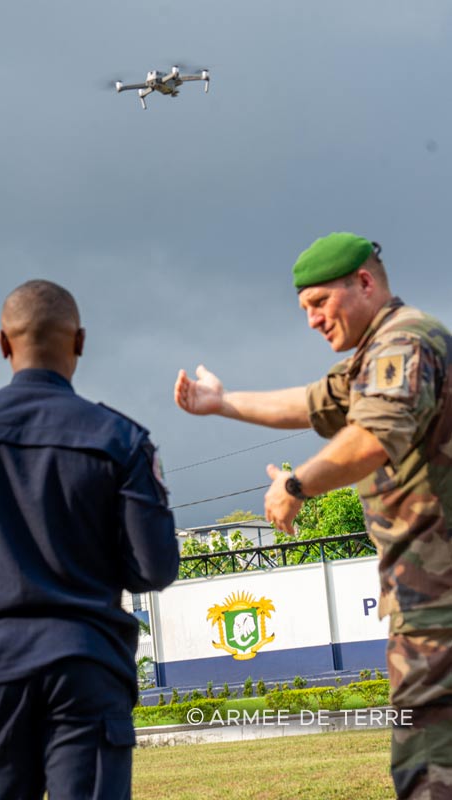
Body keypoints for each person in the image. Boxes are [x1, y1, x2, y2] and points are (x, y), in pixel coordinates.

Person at [174, 232, 452, 800]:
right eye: (304, 310)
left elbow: (373, 437)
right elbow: (306, 403)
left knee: (428, 770)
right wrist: (221, 404)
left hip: (440, 609)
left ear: (365, 283)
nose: (312, 321)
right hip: (428, 605)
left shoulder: (405, 344)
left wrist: (296, 486)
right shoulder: (373, 359)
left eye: (319, 303)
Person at [0, 279, 179, 800]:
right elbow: (155, 569)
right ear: (79, 341)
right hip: (88, 665)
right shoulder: (121, 440)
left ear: (1, 344)